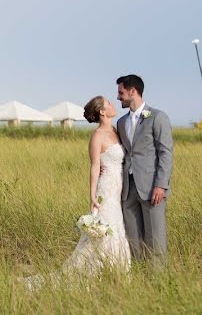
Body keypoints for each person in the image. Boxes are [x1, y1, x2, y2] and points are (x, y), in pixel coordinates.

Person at [22, 96, 130, 289]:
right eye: (109, 104)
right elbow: (95, 166)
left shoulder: (116, 130)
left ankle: (117, 273)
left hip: (119, 187)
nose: (113, 105)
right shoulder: (97, 136)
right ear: (102, 112)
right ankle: (92, 274)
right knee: (102, 233)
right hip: (106, 189)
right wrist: (91, 195)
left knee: (118, 229)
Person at [115, 74, 173, 271]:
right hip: (128, 189)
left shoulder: (158, 117)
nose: (118, 97)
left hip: (151, 188)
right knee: (133, 240)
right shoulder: (121, 123)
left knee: (155, 239)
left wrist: (161, 185)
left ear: (133, 91)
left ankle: (158, 282)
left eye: (121, 92)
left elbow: (166, 153)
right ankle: (140, 279)